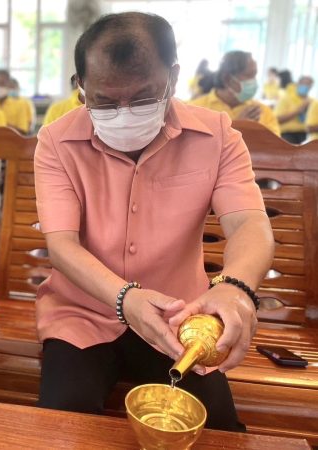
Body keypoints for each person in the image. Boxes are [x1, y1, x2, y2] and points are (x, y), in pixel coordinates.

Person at [34, 12, 274, 432]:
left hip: (181, 317)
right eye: (104, 102)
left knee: (216, 427)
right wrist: (126, 298)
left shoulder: (217, 136)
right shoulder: (56, 142)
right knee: (63, 423)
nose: (123, 114)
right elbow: (62, 245)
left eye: (143, 99)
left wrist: (236, 289)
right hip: (81, 315)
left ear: (173, 78)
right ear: (80, 88)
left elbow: (248, 224)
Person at [189, 51, 280, 135]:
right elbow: (193, 147)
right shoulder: (194, 109)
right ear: (227, 79)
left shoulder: (262, 111)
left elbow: (276, 149)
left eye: (255, 75)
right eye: (249, 75)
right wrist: (237, 127)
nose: (254, 81)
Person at [0, 69, 31, 134]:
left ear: (8, 85)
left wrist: (4, 126)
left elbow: (23, 131)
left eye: (2, 83)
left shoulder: (20, 104)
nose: (0, 87)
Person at [275, 75, 313, 144]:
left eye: (308, 84)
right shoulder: (286, 99)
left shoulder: (311, 102)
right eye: (303, 83)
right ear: (298, 84)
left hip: (304, 134)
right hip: (287, 134)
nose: (305, 86)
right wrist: (298, 111)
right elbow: (277, 120)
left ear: (311, 87)